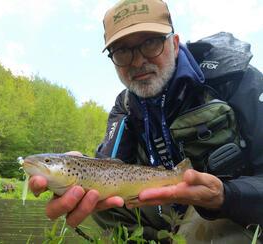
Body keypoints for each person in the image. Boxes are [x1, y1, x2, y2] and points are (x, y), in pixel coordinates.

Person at [29, 0, 263, 242]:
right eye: (122, 51)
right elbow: (110, 166)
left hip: (236, 205)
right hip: (166, 205)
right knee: (96, 204)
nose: (138, 62)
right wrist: (82, 167)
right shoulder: (125, 106)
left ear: (174, 43)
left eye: (150, 42)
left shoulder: (236, 81)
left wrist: (224, 195)